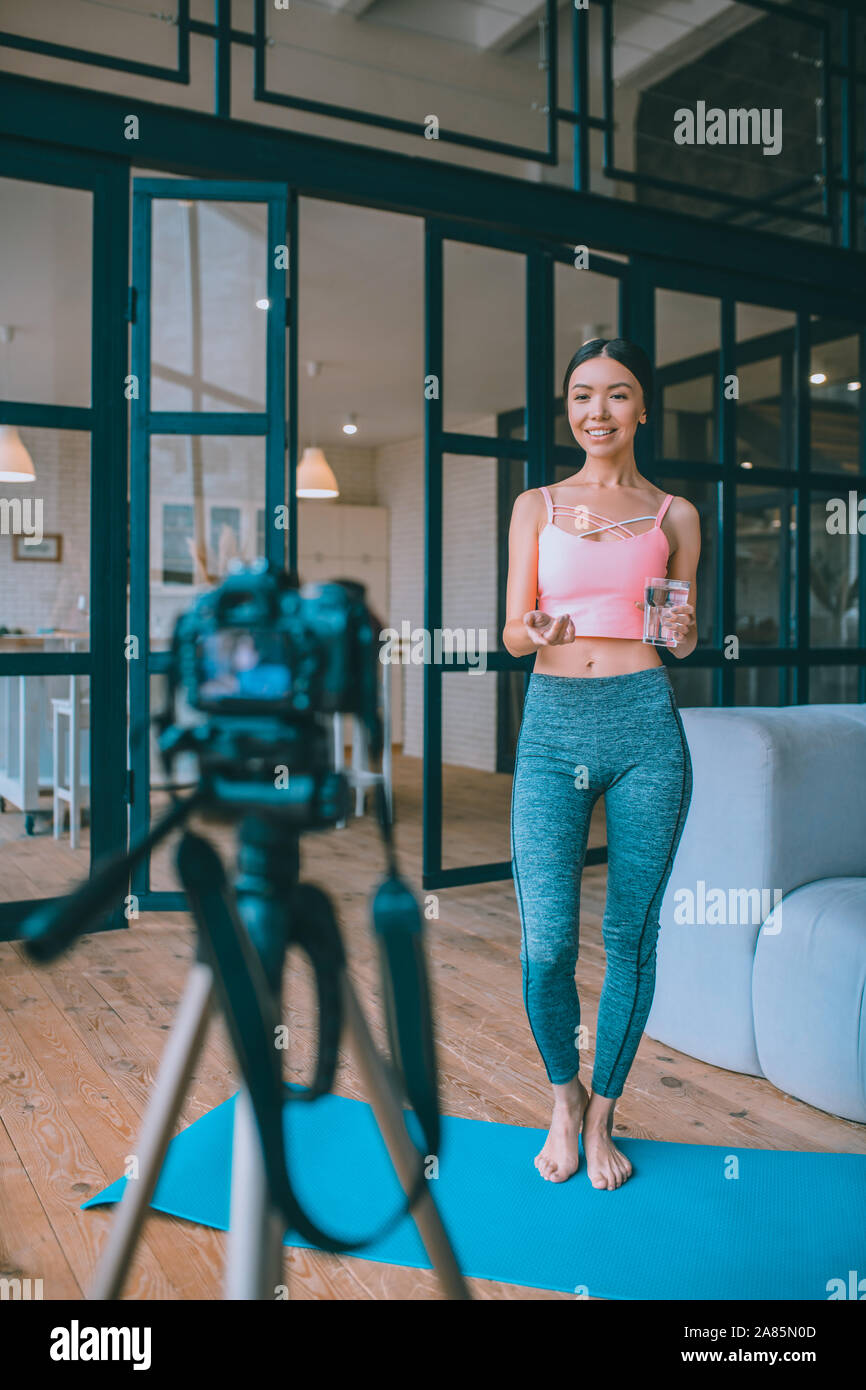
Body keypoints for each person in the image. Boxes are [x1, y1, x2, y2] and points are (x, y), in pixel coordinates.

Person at [503, 338, 701, 1190]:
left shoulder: (675, 515)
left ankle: (605, 1114)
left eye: (618, 396)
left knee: (630, 937)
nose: (598, 412)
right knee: (547, 944)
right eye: (583, 395)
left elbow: (682, 634)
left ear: (642, 409)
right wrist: (534, 632)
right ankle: (563, 1094)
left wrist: (681, 631)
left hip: (646, 727)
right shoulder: (535, 505)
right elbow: (512, 629)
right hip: (552, 727)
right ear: (568, 408)